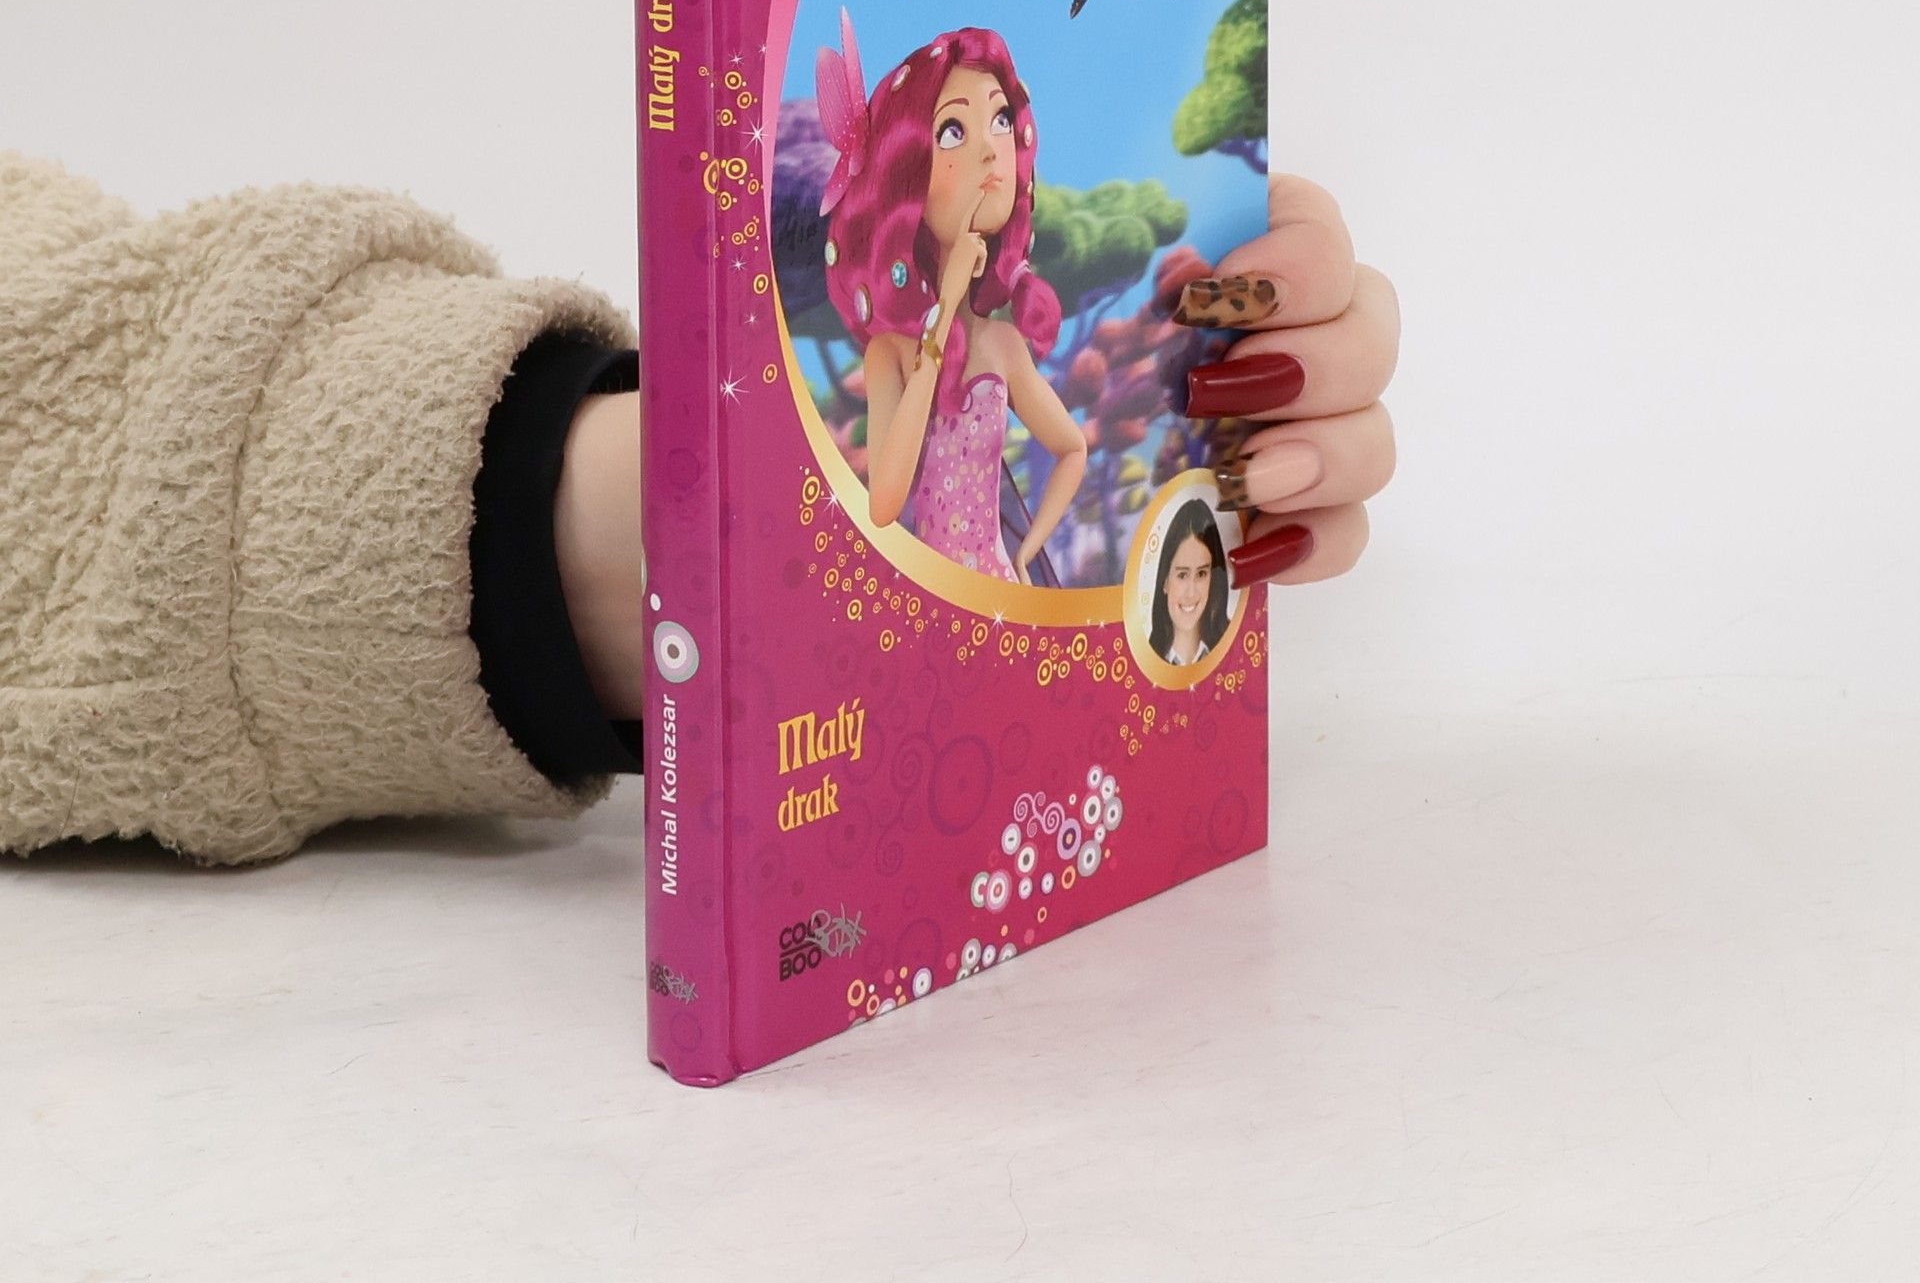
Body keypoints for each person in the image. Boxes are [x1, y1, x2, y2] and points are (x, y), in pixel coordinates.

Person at [0, 149, 1398, 868]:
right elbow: (882, 486)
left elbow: (57, 306)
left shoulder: (1003, 342)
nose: (982, 163)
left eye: (999, 134)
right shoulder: (911, 346)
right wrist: (641, 538)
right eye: (954, 130)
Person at [815, 10, 1080, 583]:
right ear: (907, 170)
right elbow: (885, 503)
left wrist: (1027, 553)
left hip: (1001, 586)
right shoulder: (889, 353)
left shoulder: (1003, 345)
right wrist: (946, 306)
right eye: (954, 131)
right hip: (935, 600)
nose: (989, 149)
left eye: (1001, 120)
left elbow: (1073, 449)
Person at [1148, 499, 1232, 666]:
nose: (1191, 593)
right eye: (1182, 575)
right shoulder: (1145, 658)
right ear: (1165, 581)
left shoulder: (1233, 648)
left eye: (1201, 574)